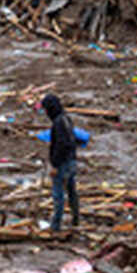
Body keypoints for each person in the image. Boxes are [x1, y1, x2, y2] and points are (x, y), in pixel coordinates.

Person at [41, 93, 79, 231]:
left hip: (63, 163)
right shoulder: (66, 119)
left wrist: (55, 165)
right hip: (71, 160)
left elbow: (62, 145)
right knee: (71, 191)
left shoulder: (58, 123)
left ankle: (56, 225)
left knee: (58, 195)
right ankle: (76, 219)